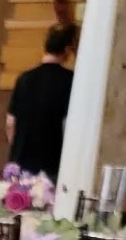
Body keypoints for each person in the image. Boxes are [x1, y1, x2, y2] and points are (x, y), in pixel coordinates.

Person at [5, 23, 77, 180]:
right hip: (52, 162)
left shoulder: (24, 78)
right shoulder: (71, 80)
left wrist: (17, 148)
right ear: (66, 50)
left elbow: (10, 122)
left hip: (21, 162)